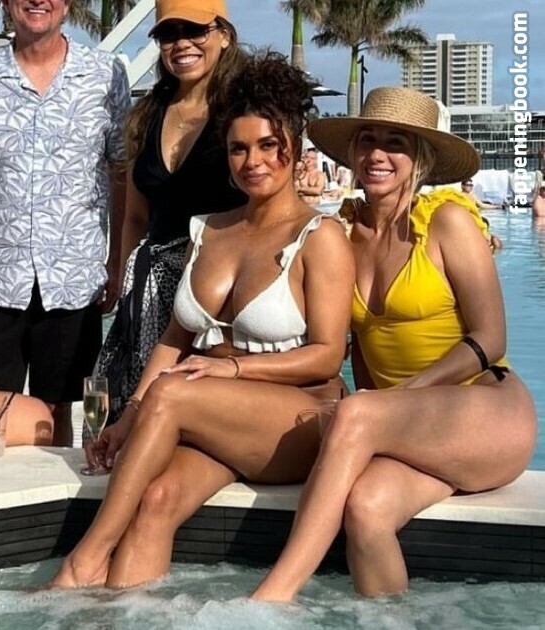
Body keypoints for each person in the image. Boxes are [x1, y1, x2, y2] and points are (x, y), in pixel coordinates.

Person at [49, 51, 355, 589]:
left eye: (268, 145)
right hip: (219, 416)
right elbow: (175, 338)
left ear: (294, 146)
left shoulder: (320, 237)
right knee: (157, 498)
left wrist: (230, 370)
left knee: (172, 391)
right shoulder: (208, 229)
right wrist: (128, 416)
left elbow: (328, 357)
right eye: (239, 148)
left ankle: (84, 561)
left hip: (298, 421)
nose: (252, 161)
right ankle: (120, 616)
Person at [251, 86, 537, 602]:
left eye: (395, 143)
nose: (377, 155)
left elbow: (491, 338)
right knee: (366, 508)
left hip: (486, 411)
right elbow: (357, 349)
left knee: (358, 414)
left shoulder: (448, 222)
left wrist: (396, 399)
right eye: (368, 140)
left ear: (419, 157)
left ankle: (273, 598)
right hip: (408, 426)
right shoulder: (340, 234)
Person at [94, 0, 248, 426]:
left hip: (218, 297)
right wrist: (122, 281)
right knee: (127, 415)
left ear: (224, 35)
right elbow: (136, 216)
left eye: (194, 30)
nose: (181, 43)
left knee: (199, 419)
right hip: (150, 295)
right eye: (168, 34)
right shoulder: (147, 114)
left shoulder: (243, 111)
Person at [0, 0, 130, 446]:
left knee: (60, 407)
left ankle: (55, 487)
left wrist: (117, 261)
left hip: (74, 275)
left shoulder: (105, 74)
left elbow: (121, 170)